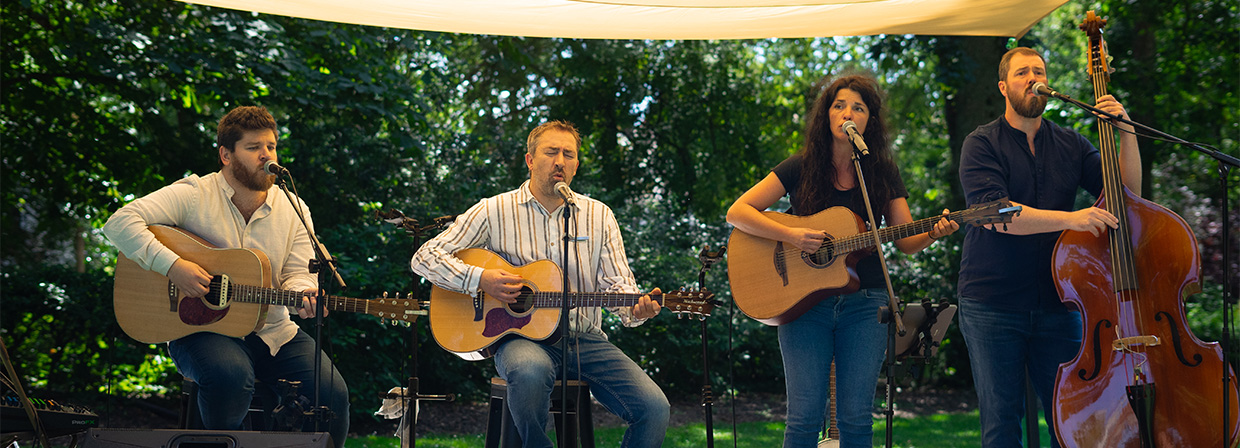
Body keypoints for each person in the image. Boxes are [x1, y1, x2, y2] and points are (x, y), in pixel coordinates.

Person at [726, 74, 959, 448]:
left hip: (866, 302)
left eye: (858, 107)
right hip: (803, 305)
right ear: (827, 115)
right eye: (839, 105)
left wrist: (934, 232)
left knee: (855, 418)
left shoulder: (881, 172)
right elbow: (738, 212)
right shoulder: (799, 166)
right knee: (803, 417)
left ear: (868, 121)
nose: (847, 113)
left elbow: (906, 240)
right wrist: (792, 235)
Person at [410, 120, 670, 448]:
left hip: (584, 340)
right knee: (529, 373)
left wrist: (638, 308)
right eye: (551, 152)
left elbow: (619, 289)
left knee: (654, 408)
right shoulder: (494, 210)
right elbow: (425, 256)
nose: (560, 160)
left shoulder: (598, 215)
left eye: (569, 154)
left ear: (576, 165)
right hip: (522, 340)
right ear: (531, 160)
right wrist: (481, 279)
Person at [102, 106, 350, 448]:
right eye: (253, 148)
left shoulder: (293, 207)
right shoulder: (194, 194)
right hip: (202, 330)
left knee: (332, 394)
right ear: (226, 155)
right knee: (230, 375)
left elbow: (296, 273)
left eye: (272, 146)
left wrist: (305, 292)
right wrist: (173, 266)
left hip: (273, 331)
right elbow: (119, 223)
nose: (266, 155)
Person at [957, 46, 1141, 448]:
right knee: (1001, 424)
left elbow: (1125, 196)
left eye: (1038, 70)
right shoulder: (981, 143)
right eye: (1022, 72)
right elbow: (996, 214)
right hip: (992, 302)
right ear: (1004, 87)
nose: (1032, 78)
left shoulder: (1071, 144)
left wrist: (1125, 131)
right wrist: (1071, 218)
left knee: (1070, 420)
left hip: (1061, 302)